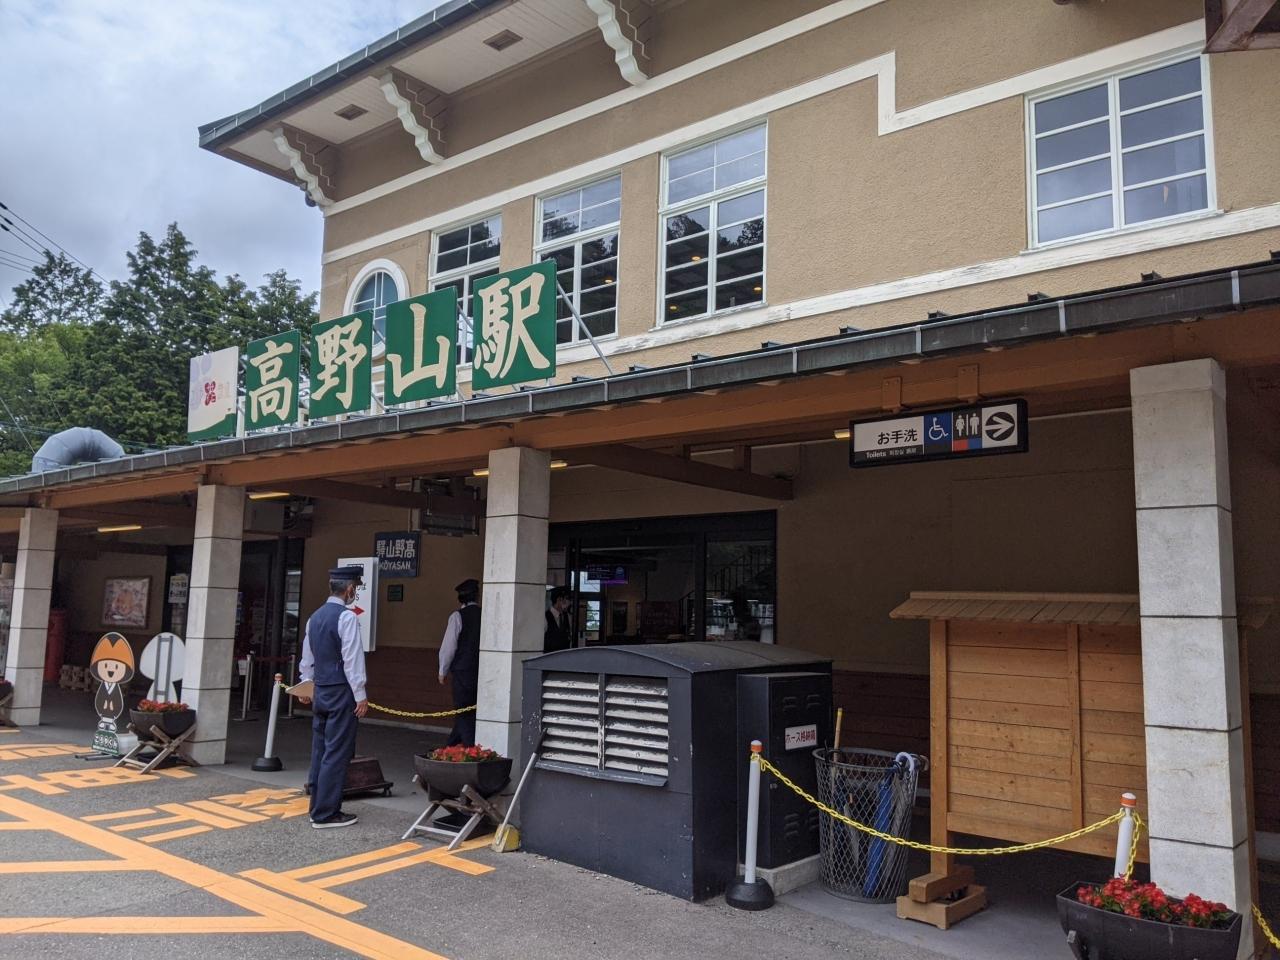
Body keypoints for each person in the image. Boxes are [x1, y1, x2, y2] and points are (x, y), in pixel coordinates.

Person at [297, 565, 368, 829]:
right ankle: (326, 813)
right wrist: (360, 694)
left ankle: (316, 805)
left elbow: (307, 658)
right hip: (341, 691)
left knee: (320, 749)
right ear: (349, 589)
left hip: (320, 690)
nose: (354, 593)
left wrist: (306, 685)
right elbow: (352, 659)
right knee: (337, 752)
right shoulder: (346, 617)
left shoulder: (314, 617)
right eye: (355, 588)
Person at [438, 577, 481, 746]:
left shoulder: (457, 616)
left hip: (463, 673)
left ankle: (470, 748)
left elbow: (448, 646)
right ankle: (451, 745)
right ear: (477, 596)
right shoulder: (484, 614)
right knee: (471, 711)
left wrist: (442, 670)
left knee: (463, 711)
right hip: (482, 671)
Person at [544, 586, 572, 653]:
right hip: (549, 656)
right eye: (567, 599)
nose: (569, 603)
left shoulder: (568, 617)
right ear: (559, 600)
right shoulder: (545, 617)